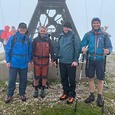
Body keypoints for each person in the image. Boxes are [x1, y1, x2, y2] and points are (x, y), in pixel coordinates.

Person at [81, 17, 112, 107]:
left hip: (100, 60)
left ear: (100, 24)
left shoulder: (104, 35)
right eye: (94, 23)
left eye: (97, 23)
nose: (96, 24)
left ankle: (99, 96)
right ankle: (91, 95)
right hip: (90, 60)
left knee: (100, 79)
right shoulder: (87, 35)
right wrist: (82, 48)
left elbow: (109, 46)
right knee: (90, 78)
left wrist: (108, 51)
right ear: (92, 24)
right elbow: (83, 44)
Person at [5, 22, 32, 103]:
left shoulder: (28, 39)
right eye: (21, 28)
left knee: (23, 79)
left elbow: (30, 51)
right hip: (14, 62)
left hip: (24, 63)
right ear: (18, 29)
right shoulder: (12, 38)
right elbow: (8, 50)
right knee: (11, 79)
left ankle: (22, 94)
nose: (22, 30)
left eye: (24, 29)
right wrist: (8, 61)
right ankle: (9, 94)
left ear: (26, 29)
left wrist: (30, 60)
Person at [55, 22, 81, 104]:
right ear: (63, 28)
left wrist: (75, 60)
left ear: (70, 28)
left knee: (71, 79)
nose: (66, 29)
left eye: (67, 27)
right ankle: (65, 92)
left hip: (71, 62)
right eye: (64, 27)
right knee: (63, 78)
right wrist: (56, 57)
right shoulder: (61, 36)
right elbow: (58, 47)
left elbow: (77, 49)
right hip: (62, 61)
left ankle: (72, 94)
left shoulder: (74, 36)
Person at [32, 26, 54, 98]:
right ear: (39, 31)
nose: (42, 32)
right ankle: (36, 89)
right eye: (41, 30)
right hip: (37, 61)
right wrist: (31, 60)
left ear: (46, 31)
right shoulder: (35, 40)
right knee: (36, 76)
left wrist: (52, 59)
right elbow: (32, 50)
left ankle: (43, 89)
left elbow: (52, 50)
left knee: (44, 76)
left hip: (45, 61)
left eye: (44, 31)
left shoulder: (49, 40)